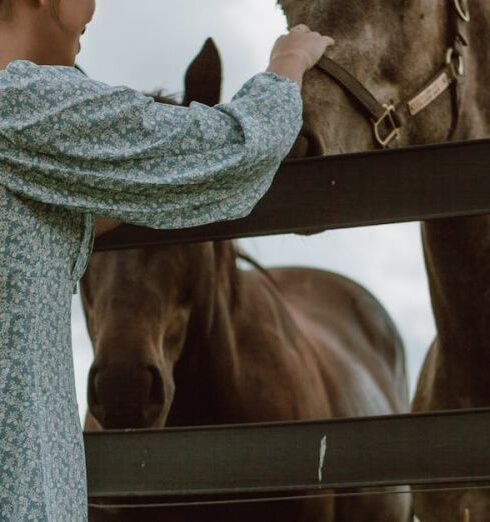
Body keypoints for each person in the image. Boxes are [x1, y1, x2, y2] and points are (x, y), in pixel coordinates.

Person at [0, 0, 334, 520]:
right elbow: (230, 151)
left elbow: (71, 225)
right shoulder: (22, 102)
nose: (95, 8)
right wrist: (287, 64)